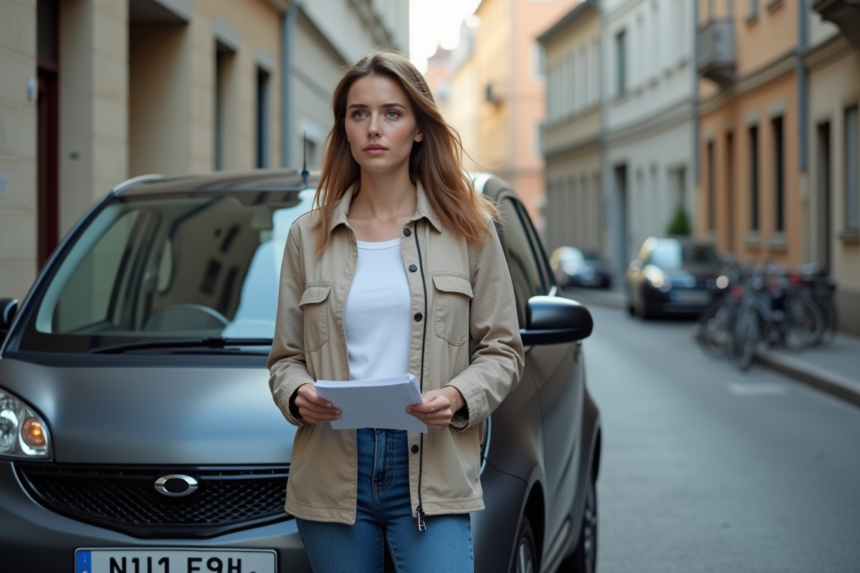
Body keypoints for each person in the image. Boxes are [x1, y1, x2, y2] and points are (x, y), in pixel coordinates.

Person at [267, 50, 524, 573]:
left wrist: (457, 396)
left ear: (419, 128)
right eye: (358, 113)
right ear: (344, 129)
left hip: (432, 464)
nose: (373, 128)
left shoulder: (470, 231)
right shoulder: (307, 236)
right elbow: (284, 359)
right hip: (333, 469)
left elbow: (503, 350)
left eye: (392, 113)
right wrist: (297, 393)